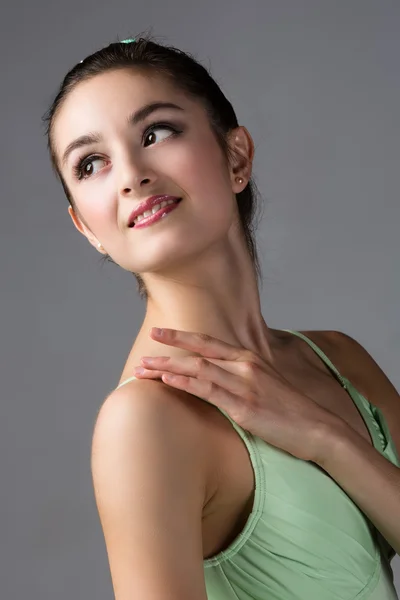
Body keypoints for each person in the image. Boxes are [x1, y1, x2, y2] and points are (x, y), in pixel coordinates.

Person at [42, 34, 400, 599]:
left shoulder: (340, 358)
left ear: (237, 156)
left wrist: (325, 438)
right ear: (87, 229)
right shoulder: (147, 421)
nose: (132, 174)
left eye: (155, 133)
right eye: (92, 163)